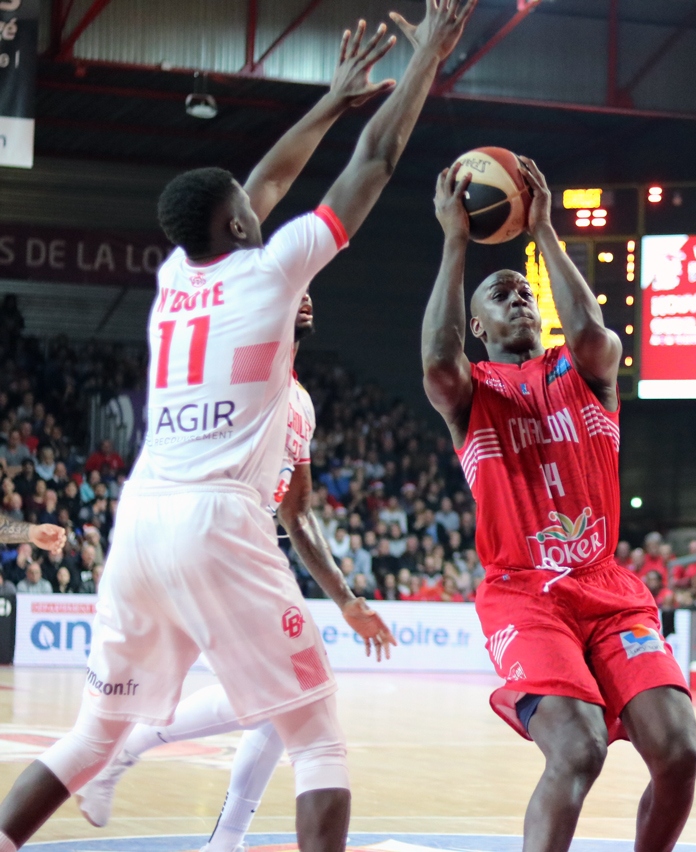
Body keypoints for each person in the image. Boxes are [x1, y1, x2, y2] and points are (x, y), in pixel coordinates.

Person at [0, 6, 478, 850]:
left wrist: (332, 99)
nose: (259, 201)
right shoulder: (271, 269)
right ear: (240, 225)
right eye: (247, 205)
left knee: (91, 735)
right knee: (317, 735)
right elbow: (375, 161)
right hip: (216, 518)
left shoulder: (178, 274)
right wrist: (423, 65)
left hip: (140, 518)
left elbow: (258, 182)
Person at [420, 155, 696, 852]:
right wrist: (456, 241)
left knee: (679, 752)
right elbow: (436, 362)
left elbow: (592, 334)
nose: (517, 298)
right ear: (476, 327)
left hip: (607, 588)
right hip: (523, 594)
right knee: (576, 752)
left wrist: (543, 232)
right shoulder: (470, 394)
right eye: (499, 295)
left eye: (525, 292)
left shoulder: (586, 373)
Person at [75, 295, 396, 852]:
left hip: (248, 549)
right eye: (290, 290)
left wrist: (347, 599)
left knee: (291, 700)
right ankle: (128, 749)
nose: (308, 297)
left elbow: (297, 512)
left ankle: (223, 839)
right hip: (206, 536)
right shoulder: (241, 369)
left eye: (310, 292)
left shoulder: (301, 402)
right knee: (300, 696)